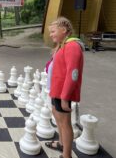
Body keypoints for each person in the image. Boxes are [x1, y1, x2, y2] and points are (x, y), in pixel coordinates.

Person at [45, 17, 84, 158]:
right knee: (58, 117)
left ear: (64, 30)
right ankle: (61, 143)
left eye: (53, 31)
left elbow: (73, 74)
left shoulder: (72, 46)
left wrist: (65, 97)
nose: (51, 34)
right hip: (56, 91)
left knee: (65, 122)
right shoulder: (63, 45)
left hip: (62, 93)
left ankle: (67, 155)